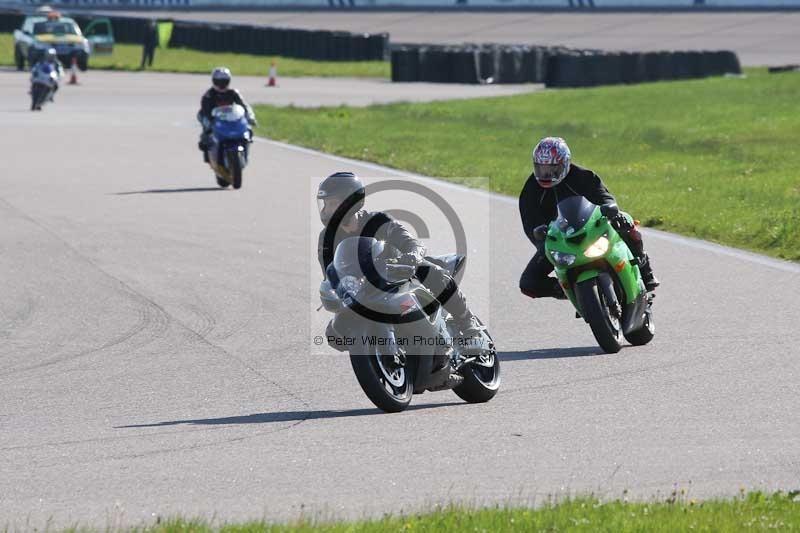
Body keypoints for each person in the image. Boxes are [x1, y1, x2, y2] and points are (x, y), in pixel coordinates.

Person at [317, 171, 481, 341]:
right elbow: (330, 274)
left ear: (350, 203)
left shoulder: (378, 221)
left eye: (333, 204)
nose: (327, 210)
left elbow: (411, 243)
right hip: (364, 290)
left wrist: (412, 256)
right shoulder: (326, 238)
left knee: (433, 272)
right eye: (325, 204)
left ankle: (467, 322)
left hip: (401, 276)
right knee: (334, 334)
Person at [518, 136, 660, 299]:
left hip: (593, 228)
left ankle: (644, 268)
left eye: (552, 168)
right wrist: (543, 242)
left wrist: (612, 210)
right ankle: (571, 291)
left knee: (626, 221)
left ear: (565, 164)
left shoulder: (583, 176)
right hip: (560, 241)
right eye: (541, 168)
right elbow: (530, 223)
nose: (546, 174)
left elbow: (603, 196)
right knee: (528, 284)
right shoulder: (531, 190)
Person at [196, 67, 256, 163]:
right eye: (219, 82)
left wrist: (250, 117)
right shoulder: (209, 95)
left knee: (248, 130)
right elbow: (205, 111)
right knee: (206, 134)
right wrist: (209, 122)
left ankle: (245, 153)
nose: (221, 85)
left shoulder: (233, 93)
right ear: (214, 81)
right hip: (215, 120)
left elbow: (244, 106)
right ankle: (208, 154)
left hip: (230, 119)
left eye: (224, 81)